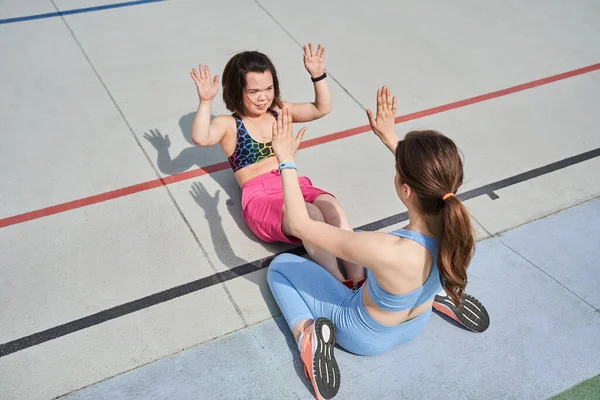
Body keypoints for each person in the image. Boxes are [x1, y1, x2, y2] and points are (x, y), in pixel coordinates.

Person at [266, 86, 488, 399]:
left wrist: (286, 160)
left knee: (281, 267)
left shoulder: (383, 248)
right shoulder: (457, 228)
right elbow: (429, 182)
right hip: (414, 323)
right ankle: (441, 291)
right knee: (407, 273)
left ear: (406, 190)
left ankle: (307, 337)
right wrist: (391, 139)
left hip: (364, 337)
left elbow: (297, 224)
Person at [189, 44, 365, 287]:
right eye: (254, 91)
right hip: (261, 198)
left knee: (332, 206)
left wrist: (318, 75)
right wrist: (205, 102)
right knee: (311, 214)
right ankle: (339, 283)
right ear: (237, 90)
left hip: (292, 183)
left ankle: (359, 278)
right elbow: (201, 137)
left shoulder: (279, 111)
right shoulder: (230, 124)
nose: (263, 97)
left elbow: (320, 108)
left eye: (269, 88)